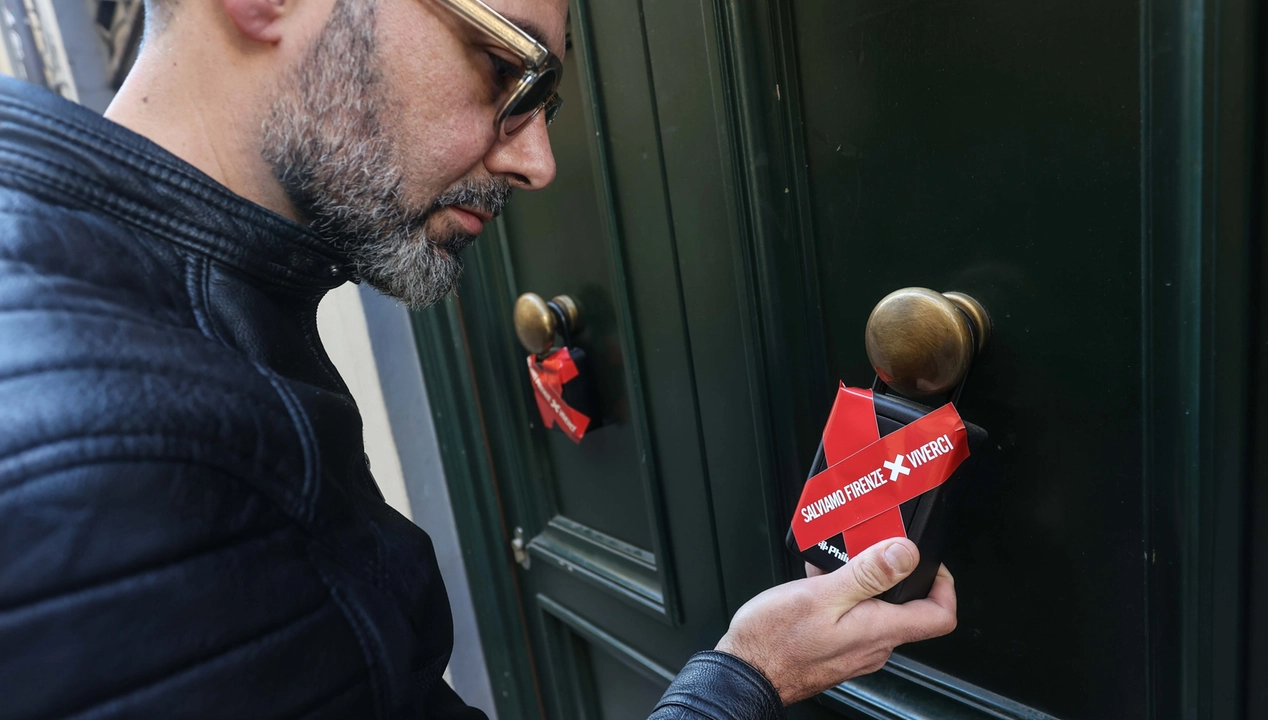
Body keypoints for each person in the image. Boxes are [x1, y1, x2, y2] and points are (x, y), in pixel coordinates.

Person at [0, 0, 958, 716]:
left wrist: (747, 668)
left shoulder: (161, 312)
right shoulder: (120, 458)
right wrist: (745, 679)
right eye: (510, 66)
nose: (537, 159)